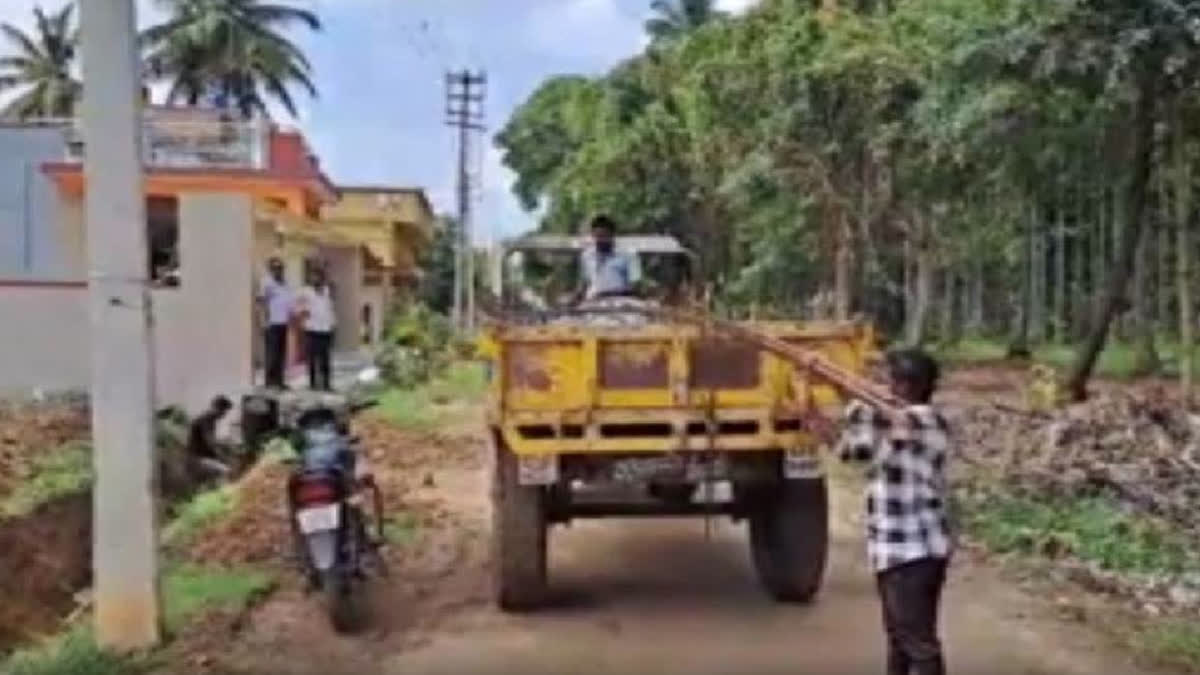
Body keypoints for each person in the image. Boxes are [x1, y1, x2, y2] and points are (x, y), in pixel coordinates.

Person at [811, 348, 954, 675]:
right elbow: (857, 451)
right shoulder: (893, 423)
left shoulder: (926, 420)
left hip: (915, 550)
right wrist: (823, 428)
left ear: (906, 385)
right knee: (899, 636)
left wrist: (840, 384)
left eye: (888, 380)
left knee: (917, 640)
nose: (883, 386)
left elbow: (878, 416)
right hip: (894, 549)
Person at [574, 215, 643, 304]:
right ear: (592, 235)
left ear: (612, 235)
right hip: (594, 301)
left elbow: (636, 286)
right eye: (597, 236)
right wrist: (573, 300)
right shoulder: (587, 256)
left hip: (622, 301)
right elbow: (584, 285)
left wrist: (609, 294)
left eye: (604, 236)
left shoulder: (628, 254)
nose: (600, 240)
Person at [297, 267, 336, 391]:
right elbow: (298, 307)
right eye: (313, 277)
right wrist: (303, 313)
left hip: (325, 329)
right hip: (312, 329)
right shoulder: (305, 292)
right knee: (312, 358)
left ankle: (326, 384)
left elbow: (330, 309)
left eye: (318, 276)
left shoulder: (327, 291)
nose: (315, 279)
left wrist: (333, 324)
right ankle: (313, 384)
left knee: (325, 359)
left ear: (322, 278)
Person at [258, 257, 293, 389]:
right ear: (271, 269)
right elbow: (261, 302)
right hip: (271, 322)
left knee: (281, 354)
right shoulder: (266, 282)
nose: (278, 270)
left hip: (283, 322)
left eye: (280, 268)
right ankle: (270, 382)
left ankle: (279, 381)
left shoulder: (285, 283)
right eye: (275, 268)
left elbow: (289, 302)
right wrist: (263, 320)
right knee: (272, 354)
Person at [186, 396, 235, 481]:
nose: (224, 415)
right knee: (227, 472)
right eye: (224, 411)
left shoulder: (210, 420)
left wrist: (225, 448)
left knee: (229, 465)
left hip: (203, 458)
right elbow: (211, 443)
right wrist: (223, 456)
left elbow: (212, 443)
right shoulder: (206, 420)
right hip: (198, 459)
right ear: (217, 408)